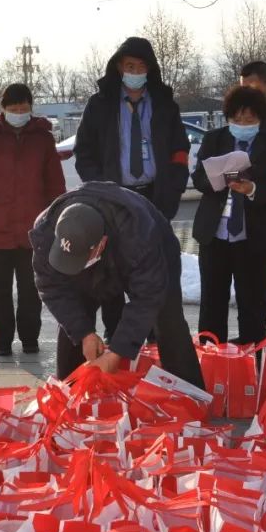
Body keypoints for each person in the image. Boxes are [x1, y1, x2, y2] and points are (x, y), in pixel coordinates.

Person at [74, 36, 193, 343]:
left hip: (154, 196)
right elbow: (84, 152)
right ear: (118, 67)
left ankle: (156, 338)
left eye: (141, 66)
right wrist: (99, 189)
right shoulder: (100, 105)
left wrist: (174, 187)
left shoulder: (165, 104)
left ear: (150, 70)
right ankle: (116, 337)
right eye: (129, 66)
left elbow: (180, 150)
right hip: (114, 199)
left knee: (154, 272)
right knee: (112, 272)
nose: (135, 71)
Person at [29, 181, 204, 387]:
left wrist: (118, 351)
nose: (74, 266)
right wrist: (84, 334)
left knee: (167, 320)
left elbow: (147, 297)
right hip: (103, 242)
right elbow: (52, 288)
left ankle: (190, 393)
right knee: (74, 323)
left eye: (79, 260)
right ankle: (71, 393)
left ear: (101, 244)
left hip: (154, 249)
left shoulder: (140, 236)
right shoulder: (46, 231)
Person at [0, 83, 66, 357]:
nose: (19, 113)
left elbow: (54, 182)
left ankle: (30, 339)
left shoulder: (42, 138)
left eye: (24, 109)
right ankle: (4, 342)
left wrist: (58, 217)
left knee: (32, 289)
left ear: (31, 108)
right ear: (3, 109)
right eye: (14, 109)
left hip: (33, 228)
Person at [191, 85, 266, 346]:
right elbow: (198, 178)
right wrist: (217, 180)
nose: (242, 124)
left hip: (253, 236)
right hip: (215, 234)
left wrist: (254, 189)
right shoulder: (214, 139)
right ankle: (211, 357)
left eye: (249, 119)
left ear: (260, 119)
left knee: (253, 302)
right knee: (212, 300)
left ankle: (252, 357)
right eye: (237, 119)